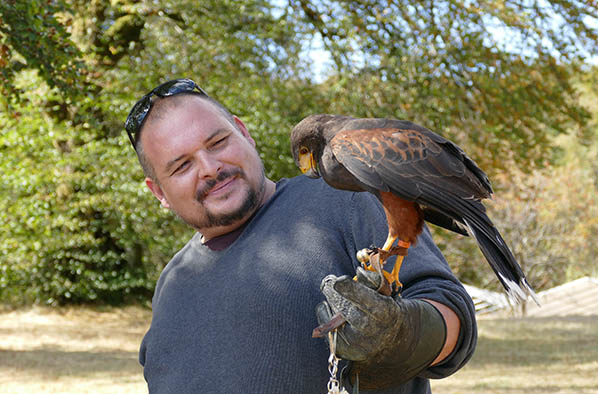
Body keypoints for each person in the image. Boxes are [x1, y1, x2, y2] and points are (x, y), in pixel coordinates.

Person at [125, 78, 478, 393]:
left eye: (217, 142)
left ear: (243, 132)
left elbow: (454, 321)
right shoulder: (173, 282)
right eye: (182, 165)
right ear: (158, 192)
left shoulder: (346, 196)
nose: (210, 168)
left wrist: (399, 333)